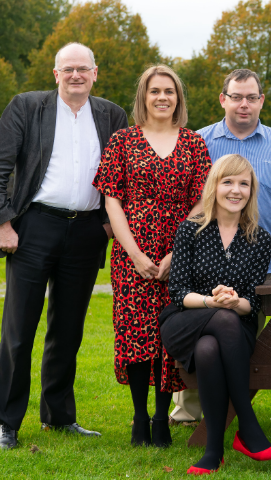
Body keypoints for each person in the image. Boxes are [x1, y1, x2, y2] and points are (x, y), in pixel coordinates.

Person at [0, 42, 128, 450]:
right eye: (69, 69)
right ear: (56, 73)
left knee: (67, 330)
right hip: (34, 227)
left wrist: (105, 225)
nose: (76, 75)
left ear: (95, 73)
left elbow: (121, 176)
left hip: (85, 232)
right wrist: (3, 224)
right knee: (18, 330)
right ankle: (8, 422)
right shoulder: (28, 107)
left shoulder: (111, 115)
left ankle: (59, 417)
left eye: (84, 69)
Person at [92, 64, 211, 447]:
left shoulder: (193, 143)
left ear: (179, 98)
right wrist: (135, 255)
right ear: (143, 96)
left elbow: (201, 204)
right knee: (135, 335)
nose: (162, 97)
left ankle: (163, 416)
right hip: (132, 252)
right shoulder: (122, 141)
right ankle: (139, 416)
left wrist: (176, 254)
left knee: (167, 335)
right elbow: (111, 199)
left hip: (180, 253)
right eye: (155, 90)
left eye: (170, 91)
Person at [171, 68, 271, 424]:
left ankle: (228, 411)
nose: (244, 104)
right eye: (237, 96)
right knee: (202, 336)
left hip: (261, 261)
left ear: (261, 101)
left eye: (252, 97)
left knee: (243, 338)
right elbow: (186, 202)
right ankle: (188, 412)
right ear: (223, 99)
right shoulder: (198, 141)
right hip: (204, 263)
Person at [159, 154, 271, 475]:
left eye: (244, 183)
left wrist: (232, 301)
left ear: (252, 191)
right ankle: (247, 426)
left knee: (210, 347)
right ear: (215, 186)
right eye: (228, 182)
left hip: (235, 328)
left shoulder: (259, 238)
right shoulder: (191, 231)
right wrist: (212, 302)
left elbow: (251, 303)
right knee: (221, 320)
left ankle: (213, 451)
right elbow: (179, 293)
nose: (236, 190)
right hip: (184, 321)